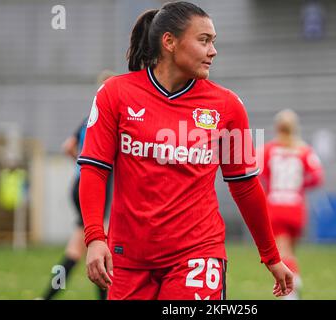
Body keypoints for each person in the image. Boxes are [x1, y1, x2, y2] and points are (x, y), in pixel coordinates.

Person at [77, 1, 293, 300]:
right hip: (128, 260)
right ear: (169, 41)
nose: (213, 51)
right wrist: (94, 238)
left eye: (213, 42)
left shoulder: (228, 106)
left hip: (198, 254)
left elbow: (245, 186)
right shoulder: (115, 94)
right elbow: (94, 169)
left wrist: (271, 256)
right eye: (204, 40)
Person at [40, 70, 117, 300]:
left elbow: (68, 146)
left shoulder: (88, 119)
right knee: (97, 244)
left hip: (80, 184)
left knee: (77, 248)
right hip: (94, 188)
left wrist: (81, 163)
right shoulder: (110, 119)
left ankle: (46, 296)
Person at [258, 109, 324, 299]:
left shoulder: (268, 149)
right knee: (290, 249)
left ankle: (291, 285)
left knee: (283, 251)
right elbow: (317, 177)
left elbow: (256, 172)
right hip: (296, 205)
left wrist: (270, 186)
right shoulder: (304, 150)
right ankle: (294, 278)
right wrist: (301, 185)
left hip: (276, 205)